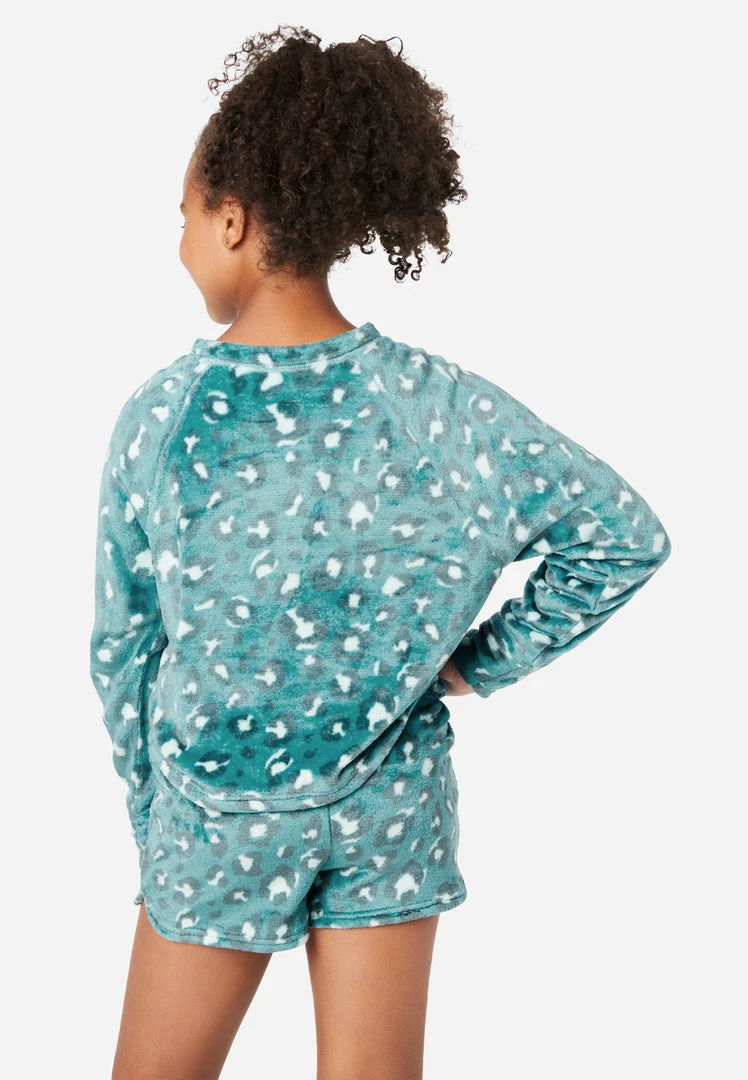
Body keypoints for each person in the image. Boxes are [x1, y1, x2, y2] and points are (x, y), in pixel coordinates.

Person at [89, 25, 672, 1080]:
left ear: (232, 219)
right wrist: (467, 666)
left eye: (182, 218)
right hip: (391, 807)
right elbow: (620, 535)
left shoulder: (164, 418)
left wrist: (152, 823)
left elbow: (123, 649)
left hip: (217, 816)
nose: (179, 244)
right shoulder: (443, 408)